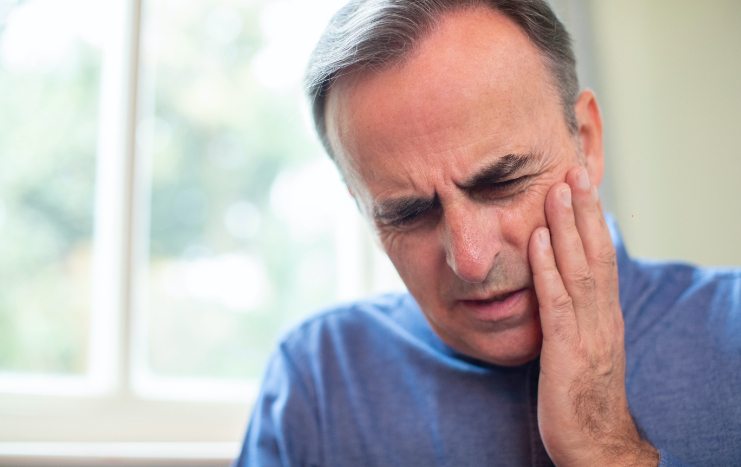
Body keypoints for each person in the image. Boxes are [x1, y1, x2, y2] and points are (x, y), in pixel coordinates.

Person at [235, 1, 741, 465]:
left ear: (585, 143)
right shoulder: (317, 381)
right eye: (408, 212)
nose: (471, 260)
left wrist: (604, 446)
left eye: (503, 182)